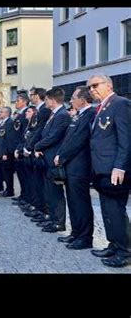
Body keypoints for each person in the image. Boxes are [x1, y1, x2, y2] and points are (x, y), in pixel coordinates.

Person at [87, 74, 131, 267]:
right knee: (107, 210)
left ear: (109, 85)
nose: (91, 89)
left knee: (116, 211)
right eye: (89, 87)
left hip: (114, 169)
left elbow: (126, 138)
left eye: (95, 85)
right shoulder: (102, 107)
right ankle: (113, 244)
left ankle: (125, 251)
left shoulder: (120, 104)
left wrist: (120, 166)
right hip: (101, 169)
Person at [54, 86, 95, 250]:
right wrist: (60, 153)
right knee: (73, 201)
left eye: (74, 97)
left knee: (81, 203)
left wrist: (62, 156)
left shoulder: (90, 114)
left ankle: (85, 237)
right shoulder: (79, 115)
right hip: (71, 167)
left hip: (80, 167)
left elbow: (79, 141)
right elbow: (68, 140)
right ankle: (76, 233)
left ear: (83, 100)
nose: (71, 101)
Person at [34, 87, 71, 233]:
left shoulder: (62, 115)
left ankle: (58, 222)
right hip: (47, 158)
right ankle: (52, 218)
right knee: (49, 191)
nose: (46, 102)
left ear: (52, 99)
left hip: (54, 159)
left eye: (47, 99)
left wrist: (37, 146)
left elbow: (53, 137)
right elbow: (45, 133)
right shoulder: (53, 114)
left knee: (56, 192)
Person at [23, 87, 52, 223]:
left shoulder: (44, 111)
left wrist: (31, 147)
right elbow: (32, 130)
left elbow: (39, 131)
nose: (30, 97)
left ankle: (44, 210)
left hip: (39, 151)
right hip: (33, 149)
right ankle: (39, 208)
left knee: (43, 185)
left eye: (32, 95)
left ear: (37, 96)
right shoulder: (39, 111)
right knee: (37, 183)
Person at [12, 93, 30, 204]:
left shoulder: (26, 114)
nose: (16, 102)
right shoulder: (19, 115)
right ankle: (23, 195)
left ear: (24, 101)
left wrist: (20, 148)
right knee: (21, 176)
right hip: (17, 147)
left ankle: (26, 197)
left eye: (18, 100)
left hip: (22, 148)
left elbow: (24, 133)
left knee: (25, 176)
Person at [0, 107, 16, 197]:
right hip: (0, 153)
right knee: (4, 172)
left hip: (6, 154)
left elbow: (10, 140)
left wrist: (6, 153)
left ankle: (9, 190)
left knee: (8, 173)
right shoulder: (2, 123)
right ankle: (7, 189)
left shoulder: (9, 123)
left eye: (2, 112)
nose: (0, 113)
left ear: (7, 113)